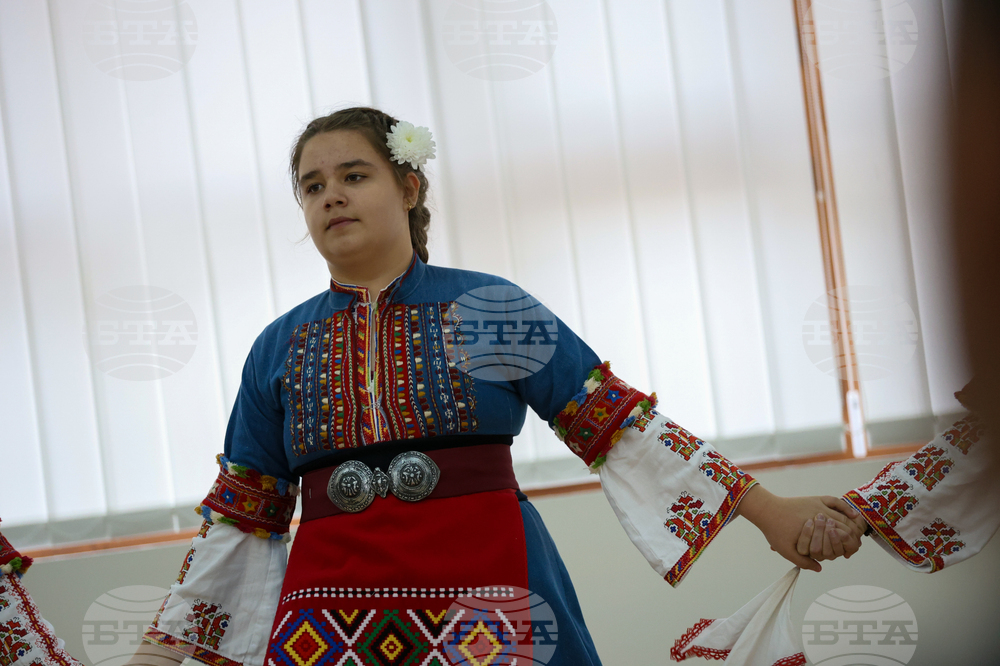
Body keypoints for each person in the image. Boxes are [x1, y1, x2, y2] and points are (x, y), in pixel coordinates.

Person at [0, 106, 864, 666]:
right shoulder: (278, 346)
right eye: (311, 187)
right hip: (326, 613)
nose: (330, 197)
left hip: (492, 587)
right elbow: (243, 514)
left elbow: (618, 427)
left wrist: (771, 513)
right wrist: (164, 650)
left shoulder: (490, 307)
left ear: (407, 185)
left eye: (353, 175)